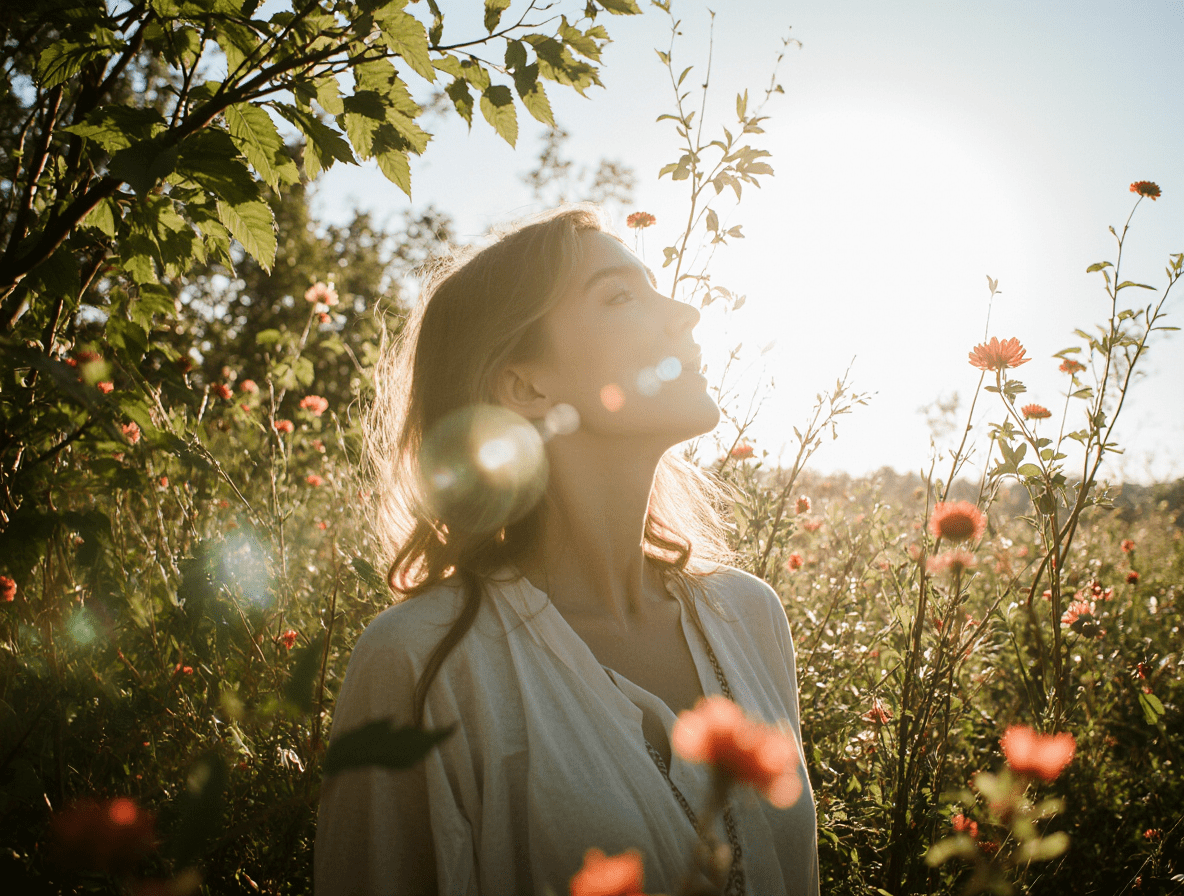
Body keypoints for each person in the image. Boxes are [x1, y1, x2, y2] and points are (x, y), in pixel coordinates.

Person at [314, 206, 819, 895]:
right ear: (525, 386)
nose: (685, 313)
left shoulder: (749, 616)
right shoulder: (423, 663)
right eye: (620, 296)